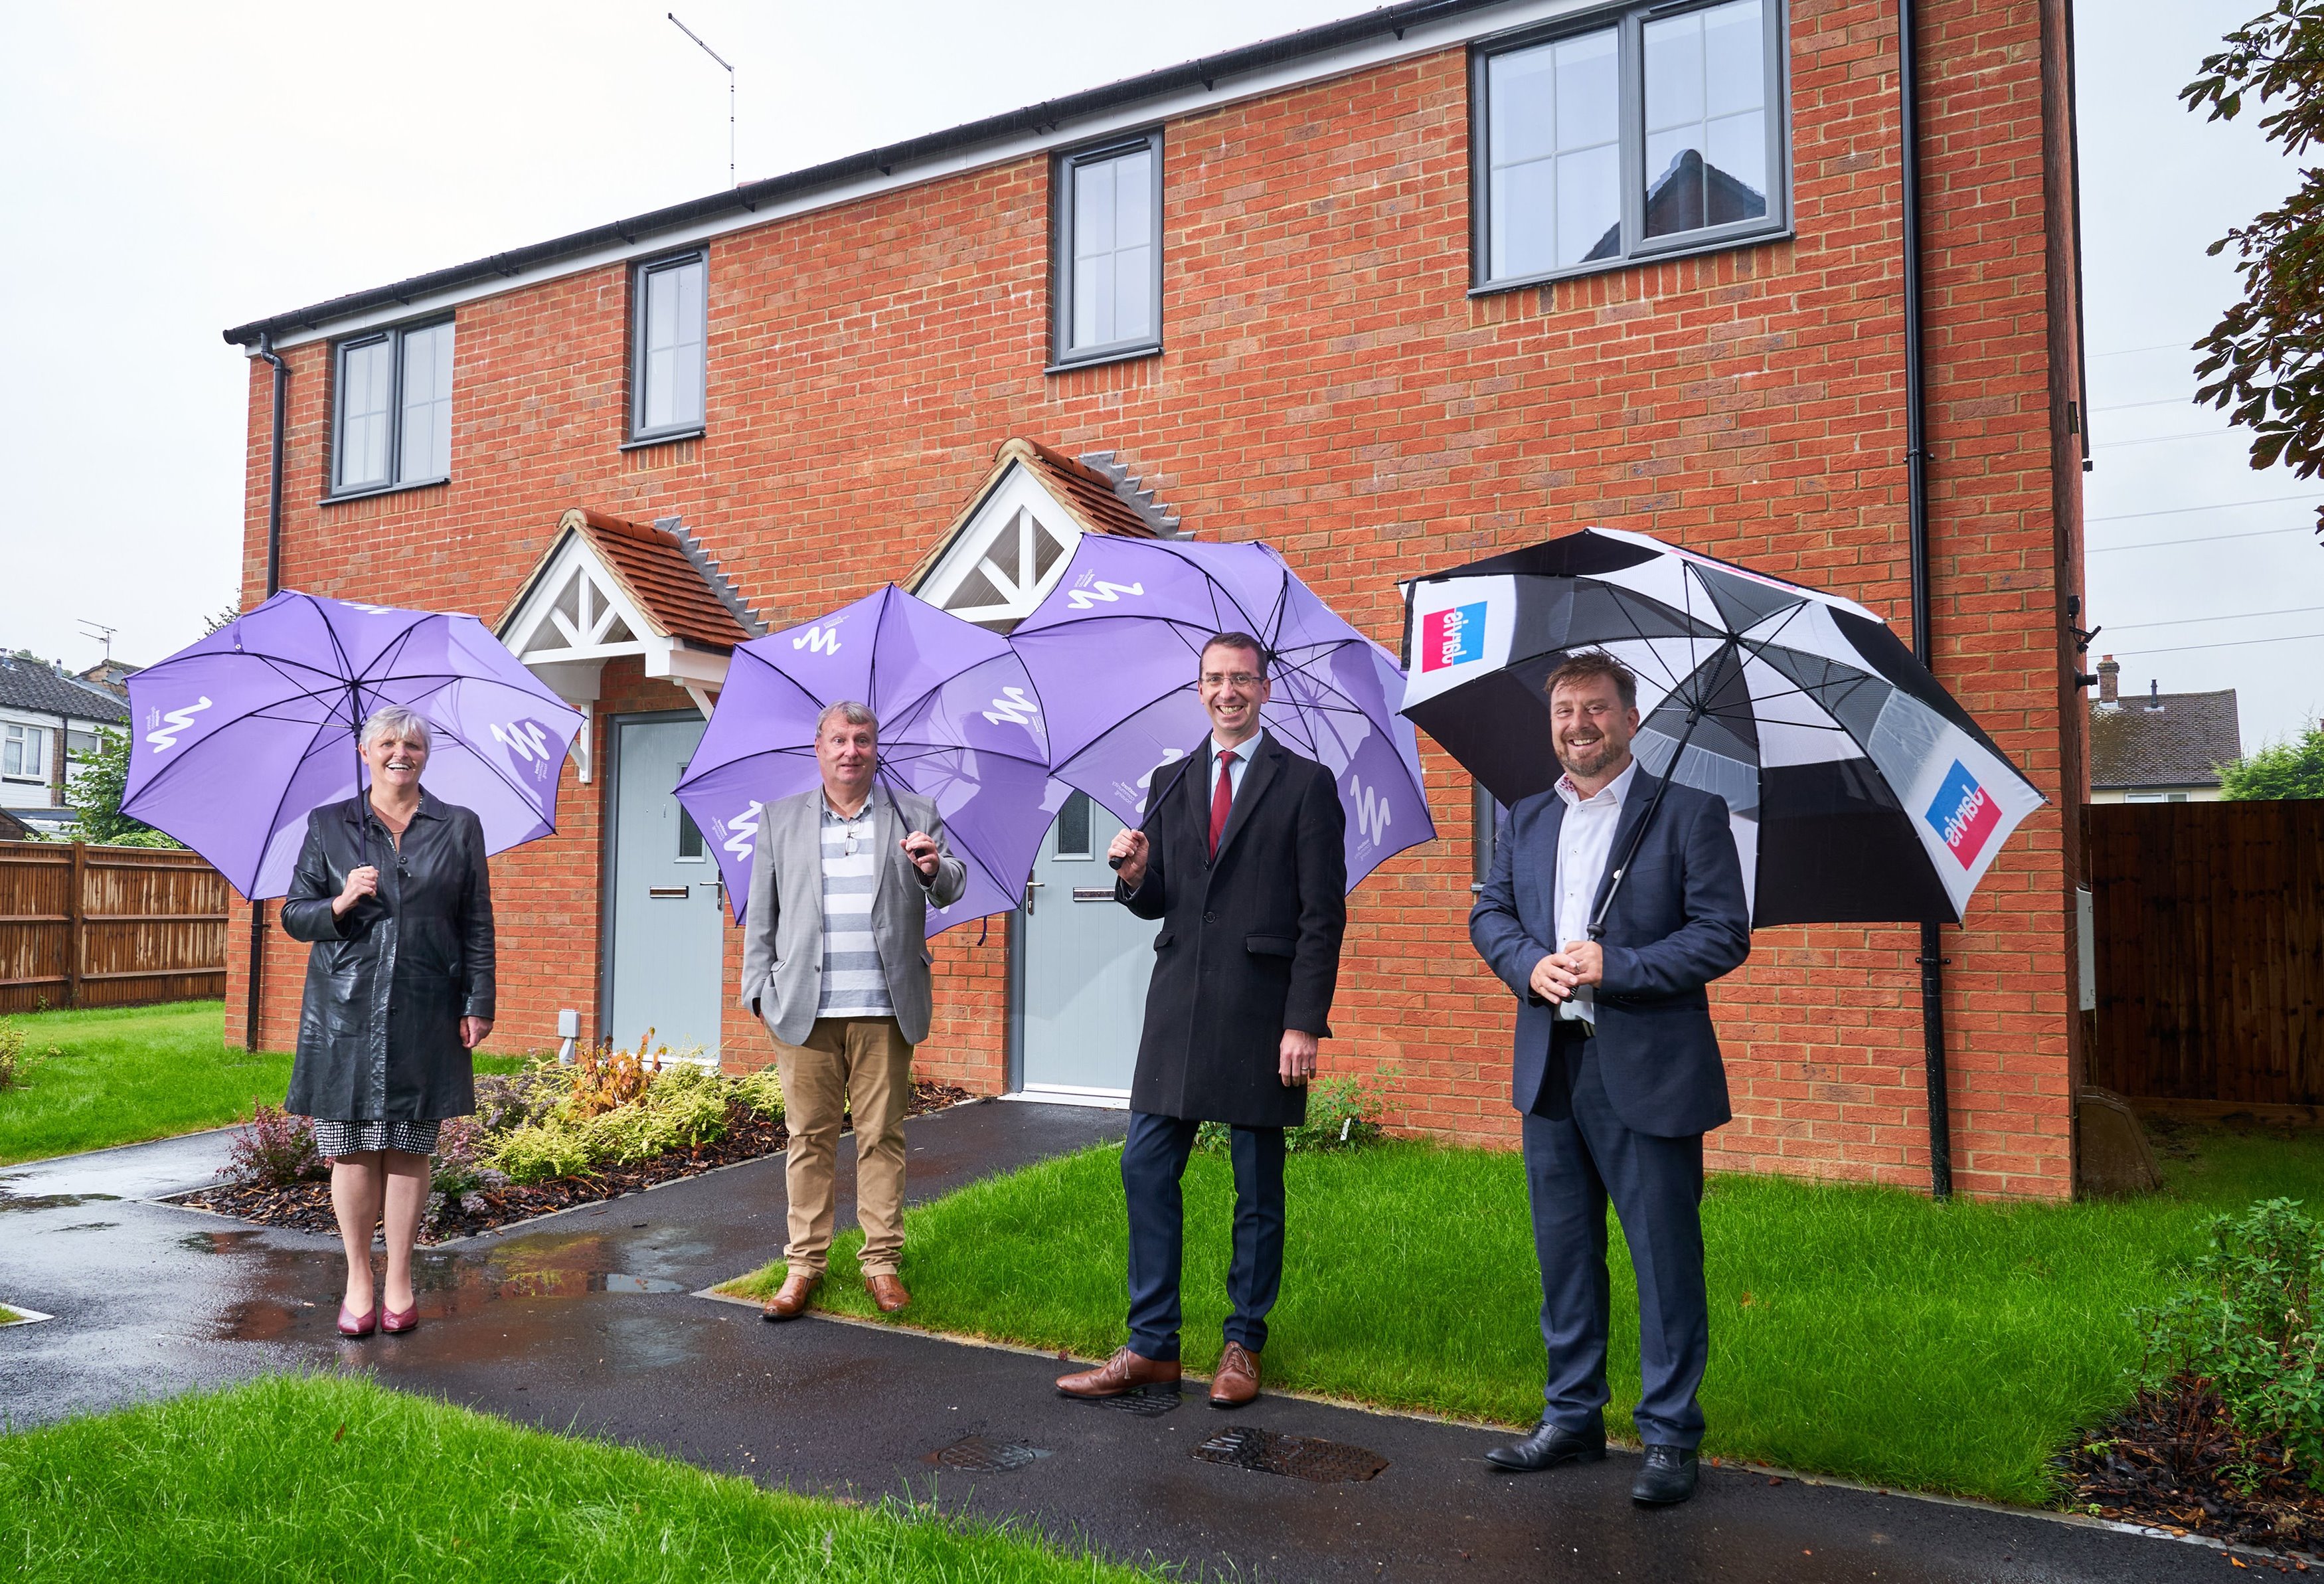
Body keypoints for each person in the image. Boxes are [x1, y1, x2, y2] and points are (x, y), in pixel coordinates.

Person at [1469, 652, 1750, 1506]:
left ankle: (1668, 1434)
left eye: (1595, 709)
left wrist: (1616, 963)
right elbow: (1489, 913)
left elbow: (1721, 935)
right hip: (1549, 1065)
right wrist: (1529, 967)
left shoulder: (1689, 816)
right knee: (1565, 1254)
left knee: (1663, 1258)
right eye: (1563, 711)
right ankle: (1572, 1416)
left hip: (1649, 1069)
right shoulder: (1521, 818)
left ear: (1629, 720)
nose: (1577, 725)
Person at [1056, 632, 1347, 1409]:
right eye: (1215, 680)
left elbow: (1321, 916)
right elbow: (1165, 902)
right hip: (1178, 1007)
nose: (1229, 692)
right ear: (1198, 690)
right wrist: (1134, 873)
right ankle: (1150, 1345)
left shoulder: (1306, 784)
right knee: (1144, 1167)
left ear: (1264, 688)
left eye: (1242, 680)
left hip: (1261, 1012)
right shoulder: (1171, 777)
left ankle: (1241, 1344)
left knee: (1256, 1186)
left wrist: (1303, 1023)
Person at [742, 701, 966, 1322]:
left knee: (881, 1137)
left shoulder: (913, 814)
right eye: (838, 739)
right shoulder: (780, 820)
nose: (850, 750)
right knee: (808, 1138)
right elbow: (762, 915)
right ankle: (803, 1266)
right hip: (803, 1010)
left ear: (875, 749)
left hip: (883, 1007)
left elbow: (952, 883)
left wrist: (930, 866)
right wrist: (757, 989)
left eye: (862, 740)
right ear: (819, 749)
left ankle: (882, 1263)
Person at [281, 705, 495, 1339]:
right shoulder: (329, 825)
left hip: (428, 1002)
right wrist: (341, 900)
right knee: (349, 1150)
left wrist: (477, 998)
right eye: (389, 743)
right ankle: (358, 1279)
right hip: (344, 1010)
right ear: (365, 752)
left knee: (408, 1145)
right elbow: (295, 914)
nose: (402, 752)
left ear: (425, 756)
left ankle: (399, 1276)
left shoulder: (459, 826)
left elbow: (477, 921)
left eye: (414, 744)